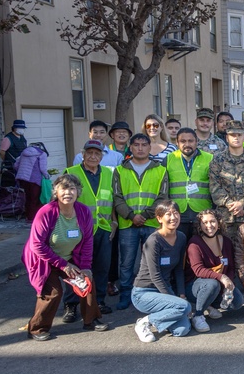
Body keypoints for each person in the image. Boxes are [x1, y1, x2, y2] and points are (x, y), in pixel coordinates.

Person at [22, 174, 107, 340]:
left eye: (72, 188)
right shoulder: (45, 212)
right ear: (56, 192)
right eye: (63, 188)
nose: (68, 192)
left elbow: (88, 240)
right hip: (44, 259)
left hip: (68, 257)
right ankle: (37, 329)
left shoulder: (83, 211)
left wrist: (85, 266)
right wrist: (63, 265)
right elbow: (37, 245)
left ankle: (91, 320)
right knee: (53, 292)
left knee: (86, 282)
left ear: (78, 192)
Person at [112, 133, 169, 310]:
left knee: (153, 261)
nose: (140, 148)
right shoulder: (120, 170)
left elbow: (162, 197)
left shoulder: (160, 170)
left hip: (151, 223)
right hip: (128, 224)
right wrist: (131, 216)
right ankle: (125, 294)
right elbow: (117, 197)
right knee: (127, 263)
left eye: (144, 145)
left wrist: (144, 215)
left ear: (149, 147)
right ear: (131, 147)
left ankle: (153, 293)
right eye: (136, 145)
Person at [65, 140, 115, 316]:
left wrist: (113, 224)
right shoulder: (71, 173)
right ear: (83, 154)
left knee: (102, 268)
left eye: (97, 153)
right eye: (90, 153)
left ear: (102, 155)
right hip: (79, 230)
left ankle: (98, 301)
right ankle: (71, 305)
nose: (93, 157)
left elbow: (113, 201)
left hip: (103, 228)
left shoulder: (109, 174)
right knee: (76, 267)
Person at [131, 200, 192, 342]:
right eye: (168, 214)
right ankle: (144, 322)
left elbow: (178, 269)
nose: (173, 217)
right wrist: (175, 300)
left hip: (163, 291)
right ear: (159, 218)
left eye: (176, 213)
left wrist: (181, 294)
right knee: (184, 306)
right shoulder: (153, 241)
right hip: (144, 292)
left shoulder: (181, 237)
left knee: (182, 330)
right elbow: (155, 275)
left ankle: (163, 315)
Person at [185, 208, 240, 332]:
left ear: (219, 222)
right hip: (195, 286)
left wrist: (228, 284)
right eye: (204, 223)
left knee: (237, 302)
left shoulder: (226, 241)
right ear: (199, 226)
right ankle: (198, 315)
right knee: (212, 284)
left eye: (212, 221)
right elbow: (198, 270)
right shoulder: (195, 243)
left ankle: (208, 304)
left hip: (218, 285)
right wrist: (222, 277)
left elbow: (231, 267)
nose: (209, 226)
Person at [208, 120, 244, 234]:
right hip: (225, 216)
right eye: (232, 135)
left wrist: (242, 203)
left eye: (239, 135)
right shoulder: (217, 160)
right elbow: (215, 187)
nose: (236, 138)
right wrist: (231, 204)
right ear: (227, 138)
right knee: (225, 250)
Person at [166, 127, 214, 239]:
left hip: (202, 213)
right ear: (177, 143)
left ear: (197, 142)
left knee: (201, 250)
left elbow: (216, 185)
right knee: (180, 250)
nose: (187, 144)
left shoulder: (210, 158)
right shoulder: (169, 159)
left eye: (190, 141)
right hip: (177, 214)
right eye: (183, 141)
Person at [14, 141, 49, 221]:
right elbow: (43, 169)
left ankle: (28, 216)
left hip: (23, 179)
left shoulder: (24, 152)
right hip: (35, 179)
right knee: (35, 199)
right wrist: (47, 176)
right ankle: (34, 218)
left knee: (27, 198)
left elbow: (16, 165)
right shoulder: (42, 154)